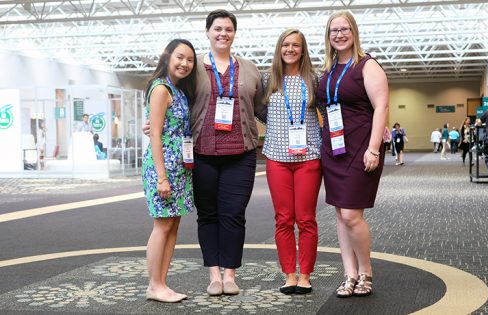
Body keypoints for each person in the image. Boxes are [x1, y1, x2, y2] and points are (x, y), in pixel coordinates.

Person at [144, 9, 266, 296]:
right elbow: (173, 101)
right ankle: (213, 275)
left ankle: (231, 274)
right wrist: (152, 123)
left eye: (228, 29)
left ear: (234, 33)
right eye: (217, 29)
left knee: (234, 214)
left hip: (241, 153)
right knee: (207, 215)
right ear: (208, 32)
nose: (223, 33)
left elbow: (260, 108)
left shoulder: (249, 68)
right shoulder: (194, 68)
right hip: (201, 154)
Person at [317, 11, 388, 298]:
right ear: (328, 35)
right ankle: (349, 274)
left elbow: (381, 107)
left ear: (354, 32)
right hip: (334, 148)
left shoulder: (367, 65)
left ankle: (366, 271)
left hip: (361, 147)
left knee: (351, 215)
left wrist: (374, 148)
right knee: (340, 214)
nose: (339, 34)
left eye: (345, 29)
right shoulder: (329, 69)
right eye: (334, 30)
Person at [261, 29, 321, 295]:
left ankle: (305, 274)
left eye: (296, 45)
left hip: (308, 158)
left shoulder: (314, 80)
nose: (290, 49)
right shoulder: (269, 80)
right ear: (279, 48)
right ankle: (289, 275)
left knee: (306, 219)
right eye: (285, 44)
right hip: (277, 158)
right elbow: (254, 109)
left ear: (303, 49)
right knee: (284, 219)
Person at [142, 39, 197, 303]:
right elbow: (155, 135)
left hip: (179, 166)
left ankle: (162, 283)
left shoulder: (178, 90)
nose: (184, 63)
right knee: (162, 225)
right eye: (180, 57)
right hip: (163, 165)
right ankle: (154, 284)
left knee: (173, 224)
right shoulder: (161, 88)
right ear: (168, 57)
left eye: (189, 60)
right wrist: (161, 176)